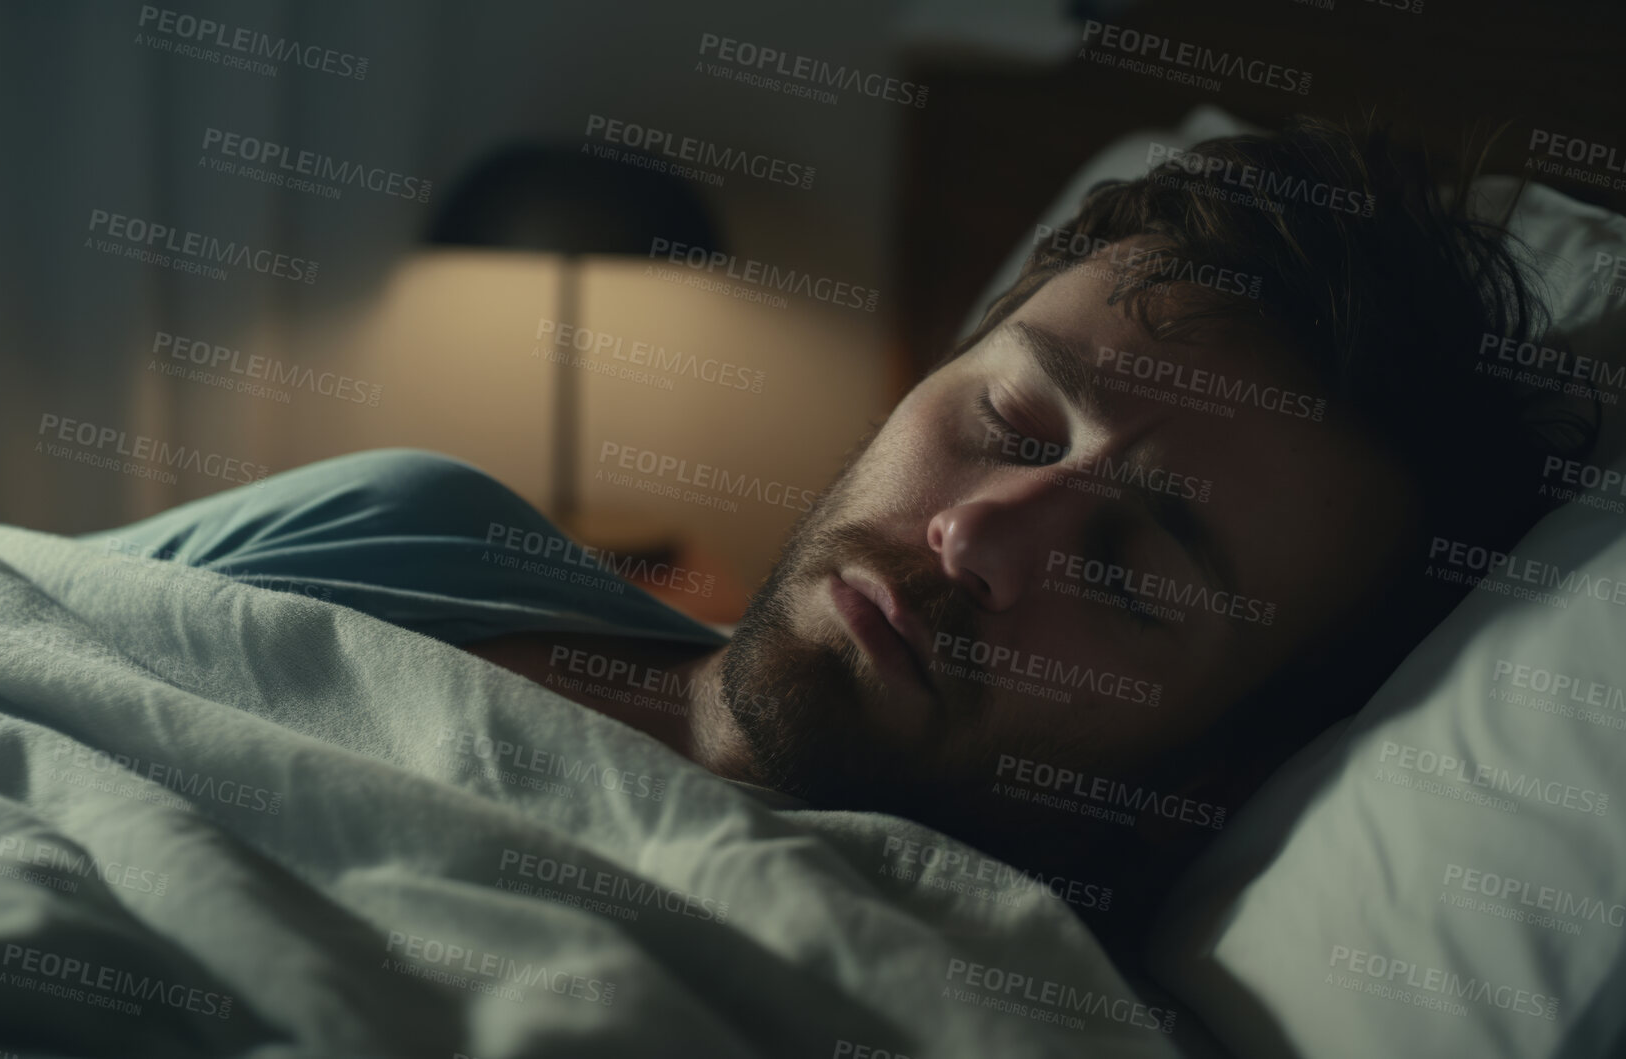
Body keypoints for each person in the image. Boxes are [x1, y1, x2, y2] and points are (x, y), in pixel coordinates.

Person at [85, 116, 1595, 943]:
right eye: (1007, 427)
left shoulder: (956, 999)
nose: (983, 536)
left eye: (1130, 572)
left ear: (1211, 774)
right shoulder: (403, 524)